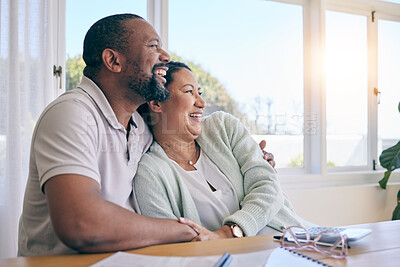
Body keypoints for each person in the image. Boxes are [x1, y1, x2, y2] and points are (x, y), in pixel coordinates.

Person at [18, 14, 273, 256]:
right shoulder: (72, 114)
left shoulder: (139, 128)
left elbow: (183, 132)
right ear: (113, 61)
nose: (166, 56)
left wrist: (250, 158)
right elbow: (80, 223)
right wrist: (186, 230)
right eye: (153, 46)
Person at [134, 61, 315, 240]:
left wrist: (227, 233)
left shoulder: (223, 127)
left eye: (200, 93)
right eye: (189, 91)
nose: (202, 103)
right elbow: (172, 241)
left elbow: (268, 186)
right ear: (156, 103)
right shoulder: (149, 173)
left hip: (296, 239)